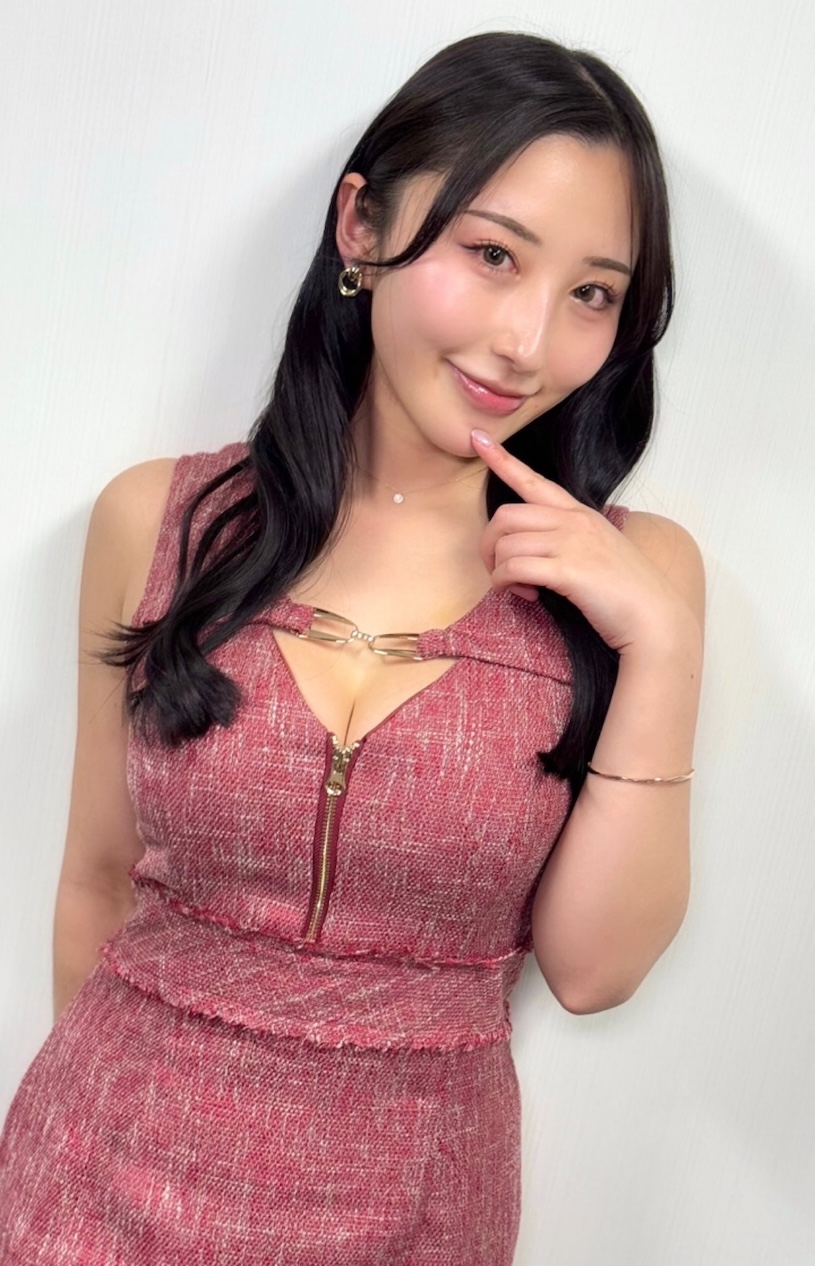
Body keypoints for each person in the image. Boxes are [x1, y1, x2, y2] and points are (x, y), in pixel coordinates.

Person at [0, 30, 704, 1266]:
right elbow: (96, 881)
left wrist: (658, 646)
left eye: (591, 293)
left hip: (413, 1220)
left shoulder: (636, 581)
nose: (527, 340)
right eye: (492, 254)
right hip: (90, 1193)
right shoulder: (159, 521)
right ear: (361, 226)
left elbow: (593, 974)